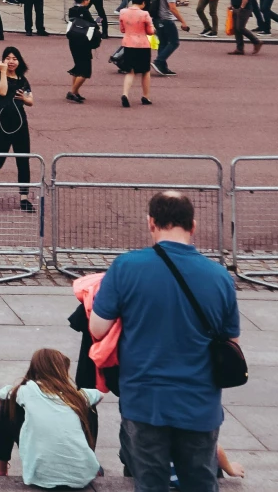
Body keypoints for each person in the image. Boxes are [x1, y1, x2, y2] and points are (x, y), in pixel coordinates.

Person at [89, 192, 239, 492]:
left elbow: (97, 328)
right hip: (200, 403)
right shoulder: (219, 277)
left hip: (145, 400)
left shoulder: (126, 267)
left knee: (150, 483)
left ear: (151, 223)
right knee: (200, 483)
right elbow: (231, 342)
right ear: (192, 226)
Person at [0, 347, 103, 490]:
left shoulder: (26, 390)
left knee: (9, 405)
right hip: (82, 476)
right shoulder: (75, 396)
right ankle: (88, 456)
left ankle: (1, 469)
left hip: (39, 477)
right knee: (88, 408)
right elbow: (99, 395)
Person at [0, 46, 35, 209]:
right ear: (3, 61)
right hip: (2, 125)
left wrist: (25, 99)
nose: (11, 61)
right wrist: (3, 72)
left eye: (15, 58)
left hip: (20, 124)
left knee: (23, 160)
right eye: (8, 58)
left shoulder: (23, 79)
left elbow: (31, 100)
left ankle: (24, 197)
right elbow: (3, 91)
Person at [116, 0, 155, 108]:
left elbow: (122, 29)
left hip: (128, 43)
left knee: (130, 71)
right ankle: (146, 96)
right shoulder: (144, 14)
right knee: (145, 71)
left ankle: (125, 94)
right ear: (143, 3)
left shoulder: (123, 12)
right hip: (142, 44)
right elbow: (150, 31)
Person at [65, 0, 98, 103]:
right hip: (83, 41)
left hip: (73, 40)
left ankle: (76, 91)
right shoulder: (84, 11)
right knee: (85, 71)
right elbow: (93, 25)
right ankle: (73, 92)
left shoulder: (72, 10)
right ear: (85, 0)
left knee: (78, 66)